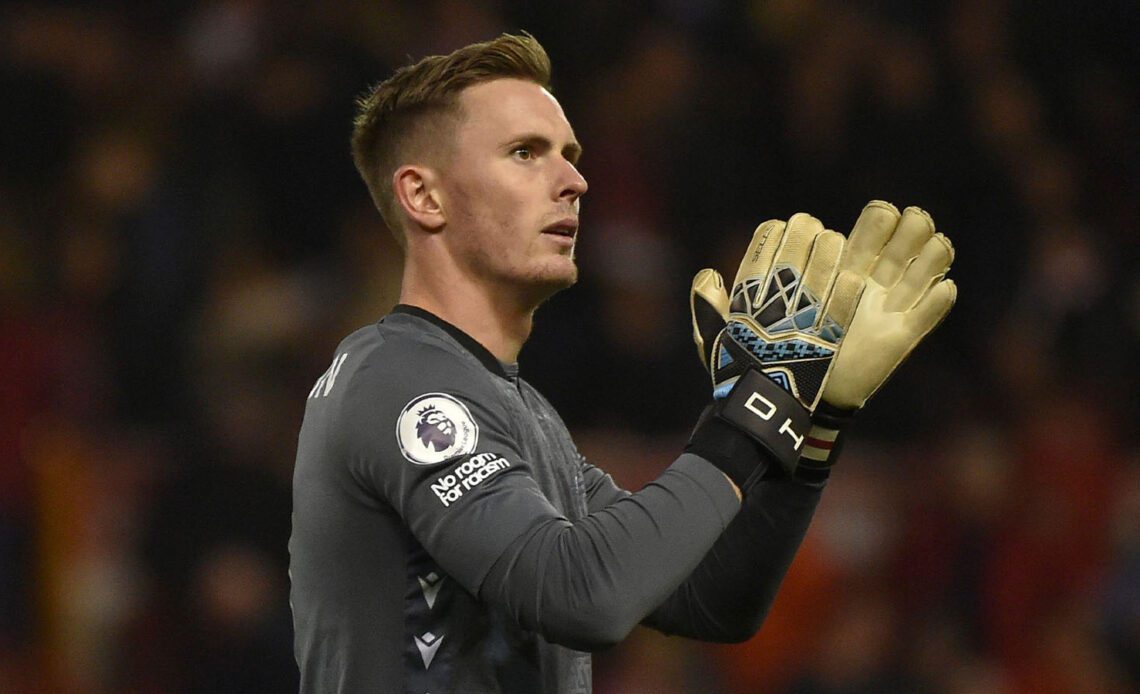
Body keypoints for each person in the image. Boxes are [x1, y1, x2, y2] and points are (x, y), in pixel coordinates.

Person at [288, 33, 956, 694]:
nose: (575, 180)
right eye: (525, 153)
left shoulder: (521, 412)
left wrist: (812, 419)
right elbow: (584, 596)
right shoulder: (395, 378)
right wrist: (759, 404)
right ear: (424, 197)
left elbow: (711, 598)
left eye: (571, 156)